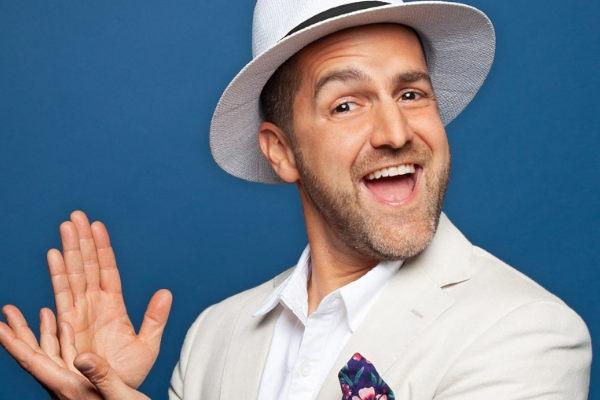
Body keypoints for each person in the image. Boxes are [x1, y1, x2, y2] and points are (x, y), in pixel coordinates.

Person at [0, 0, 592, 399]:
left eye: (411, 94)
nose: (394, 132)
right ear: (281, 152)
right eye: (346, 104)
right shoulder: (214, 339)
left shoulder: (528, 332)